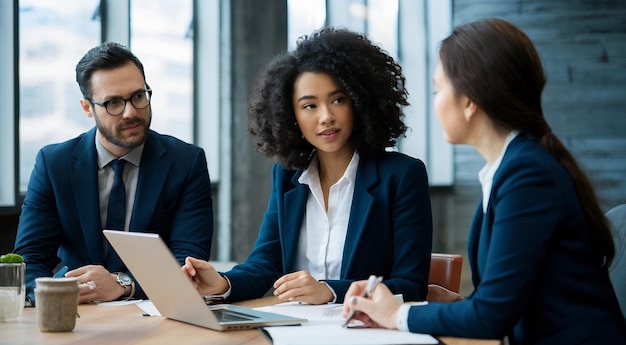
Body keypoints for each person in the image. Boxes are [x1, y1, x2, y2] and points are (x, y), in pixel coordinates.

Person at [343, 18, 626, 345]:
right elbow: (511, 293)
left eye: (438, 90)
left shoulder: (527, 176)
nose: (434, 102)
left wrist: (397, 315)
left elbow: (492, 316)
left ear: (469, 100)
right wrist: (456, 302)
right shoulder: (512, 167)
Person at [182, 27, 433, 305]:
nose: (326, 117)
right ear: (292, 116)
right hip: (297, 330)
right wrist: (222, 282)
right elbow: (266, 263)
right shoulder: (287, 176)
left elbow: (411, 286)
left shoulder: (401, 176)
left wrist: (330, 291)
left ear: (359, 102)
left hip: (363, 332)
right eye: (309, 106)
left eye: (338, 100)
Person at [13, 42, 213, 305]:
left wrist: (123, 284)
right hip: (77, 310)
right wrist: (57, 302)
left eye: (138, 96)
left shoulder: (186, 162)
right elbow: (30, 258)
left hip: (155, 315)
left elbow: (187, 261)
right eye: (114, 103)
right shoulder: (54, 164)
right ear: (87, 108)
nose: (131, 112)